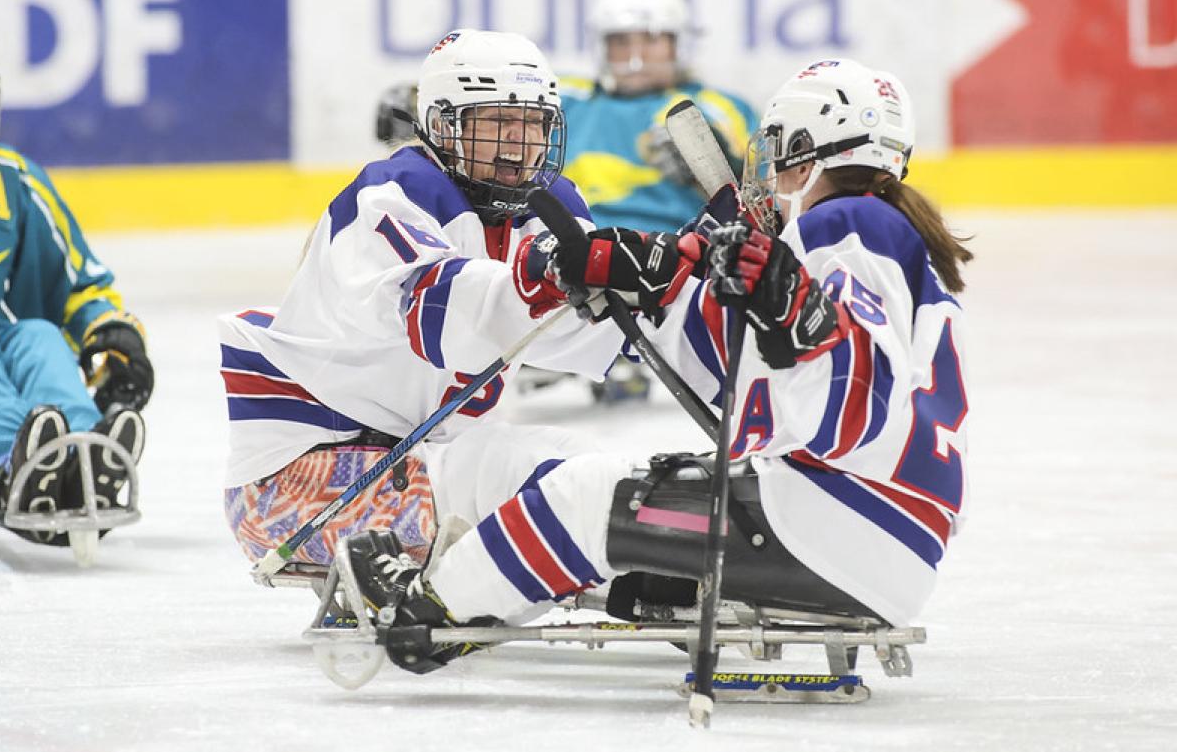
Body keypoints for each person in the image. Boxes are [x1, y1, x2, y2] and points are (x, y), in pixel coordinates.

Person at [336, 57, 974, 676]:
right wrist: (651, 279)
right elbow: (732, 366)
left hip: (833, 523)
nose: (771, 170)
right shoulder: (882, 234)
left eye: (779, 147)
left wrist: (792, 311)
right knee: (623, 497)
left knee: (584, 497)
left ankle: (423, 616)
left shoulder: (847, 222)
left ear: (808, 151)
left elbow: (853, 392)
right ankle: (602, 591)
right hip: (880, 541)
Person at [219, 29, 626, 568]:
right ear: (443, 125)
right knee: (561, 482)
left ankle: (648, 581)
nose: (519, 142)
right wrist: (547, 278)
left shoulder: (545, 206)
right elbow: (437, 315)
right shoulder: (393, 195)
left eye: (533, 123)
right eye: (498, 121)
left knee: (595, 477)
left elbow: (588, 335)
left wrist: (671, 282)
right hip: (303, 483)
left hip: (422, 464)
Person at [0, 28, 151, 547]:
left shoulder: (11, 179)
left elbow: (78, 280)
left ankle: (86, 455)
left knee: (37, 337)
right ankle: (20, 466)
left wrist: (112, 335)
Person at [551, 0, 760, 403]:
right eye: (621, 43)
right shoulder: (565, 104)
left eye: (649, 41)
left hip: (677, 267)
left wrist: (723, 165)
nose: (635, 56)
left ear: (677, 45)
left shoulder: (721, 110)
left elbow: (763, 208)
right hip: (581, 263)